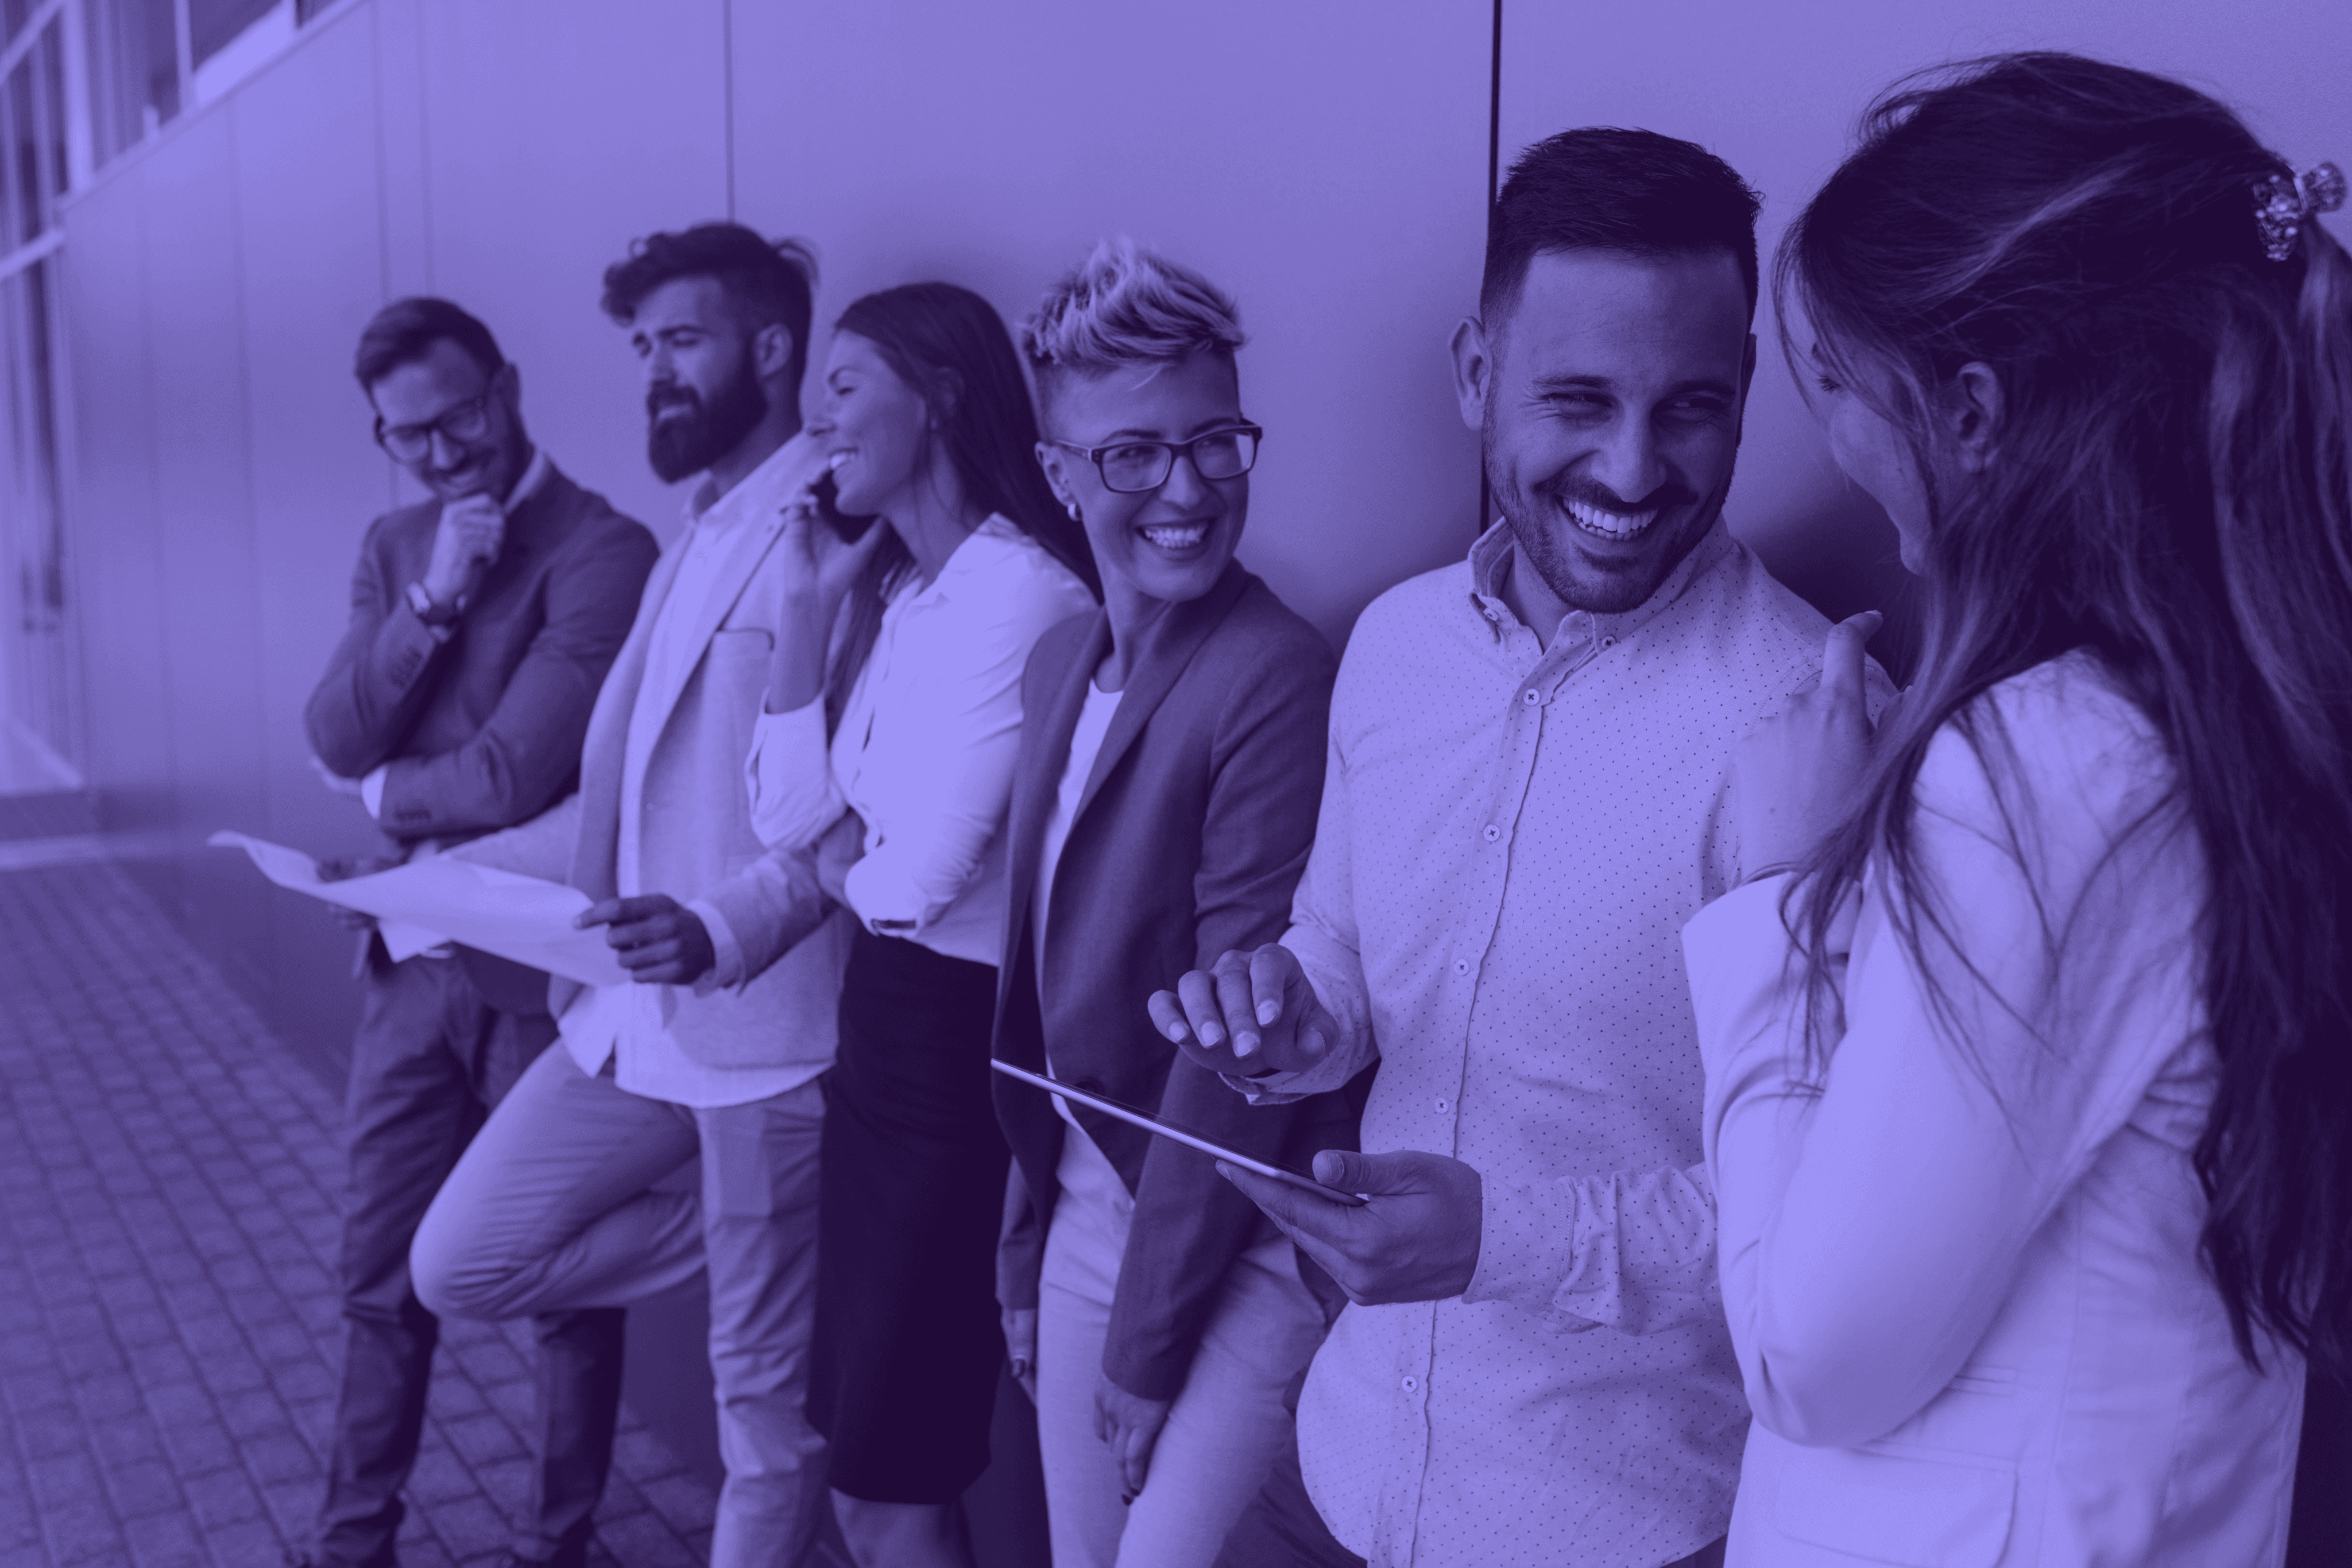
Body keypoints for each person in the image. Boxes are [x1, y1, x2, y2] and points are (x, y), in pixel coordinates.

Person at [1154, 129, 1893, 1568]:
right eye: (1576, 399)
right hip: (1332, 1473)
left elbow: (1818, 1222)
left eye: (1690, 407)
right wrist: (1287, 1018)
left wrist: (1505, 1239)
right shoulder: (1390, 648)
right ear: (1474, 375)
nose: (1631, 466)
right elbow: (1345, 959)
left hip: (1617, 1531)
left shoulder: (1818, 732)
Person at [1684, 52, 2345, 1565]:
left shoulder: (2049, 778)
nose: (1833, 448)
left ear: (1971, 412)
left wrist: (1779, 894)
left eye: (1835, 387)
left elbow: (1813, 1354)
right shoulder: (2242, 726)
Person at [405, 224, 854, 1568]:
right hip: (626, 1024)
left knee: (757, 1431)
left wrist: (730, 925)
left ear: (771, 350)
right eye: (642, 346)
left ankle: (776, 1249)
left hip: (764, 1039)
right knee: (458, 1262)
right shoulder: (694, 528)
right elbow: (619, 803)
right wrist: (431, 882)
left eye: (682, 341)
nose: (654, 373)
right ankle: (773, 1245)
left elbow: (850, 807)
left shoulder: (828, 526)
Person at [987, 239, 1349, 1568]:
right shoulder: (1051, 669)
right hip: (1088, 1199)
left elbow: (1234, 1049)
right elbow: (1031, 997)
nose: (1186, 489)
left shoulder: (1271, 676)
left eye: (1215, 443)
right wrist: (1027, 1242)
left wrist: (1142, 1351)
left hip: (1231, 1222)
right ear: (1057, 475)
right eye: (1131, 454)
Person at [741, 280, 1098, 1568]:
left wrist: (853, 855)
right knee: (872, 1471)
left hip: (953, 1067)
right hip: (875, 1048)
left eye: (842, 384)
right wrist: (807, 611)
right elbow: (791, 815)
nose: (812, 414)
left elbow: (917, 881)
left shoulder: (1021, 593)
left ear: (940, 393)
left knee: (886, 1484)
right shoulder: (908, 598)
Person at [298, 297, 658, 1568]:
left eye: (458, 416)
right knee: (373, 1277)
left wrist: (393, 800)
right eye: (410, 435)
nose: (443, 452)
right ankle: (354, 1545)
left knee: (561, 1290)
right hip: (408, 973)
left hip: (532, 979)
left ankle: (559, 1547)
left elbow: (515, 776)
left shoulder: (606, 549)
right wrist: (437, 602)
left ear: (504, 386)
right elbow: (335, 733)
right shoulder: (397, 544)